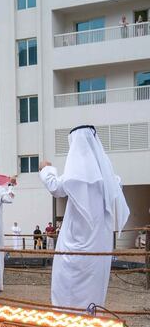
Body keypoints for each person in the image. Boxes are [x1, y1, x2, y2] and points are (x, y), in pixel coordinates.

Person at [39, 125, 129, 310]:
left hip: (77, 238)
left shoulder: (75, 176)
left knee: (67, 274)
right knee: (94, 277)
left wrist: (46, 169)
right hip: (99, 239)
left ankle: (69, 313)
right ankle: (90, 312)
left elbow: (55, 187)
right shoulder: (108, 177)